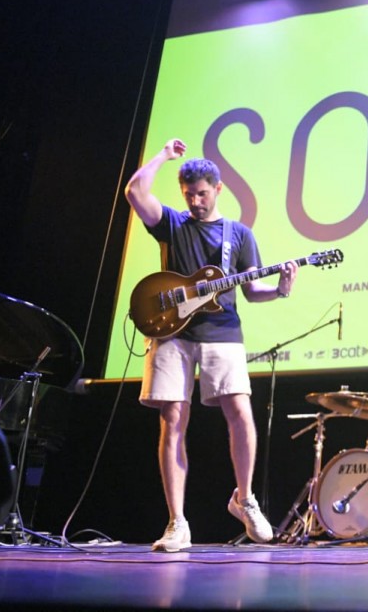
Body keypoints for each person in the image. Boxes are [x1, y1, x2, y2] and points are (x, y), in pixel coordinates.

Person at [125, 138, 298, 551]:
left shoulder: (239, 234)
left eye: (202, 194)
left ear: (218, 189)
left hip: (222, 331)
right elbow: (134, 191)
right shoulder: (172, 224)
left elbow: (252, 291)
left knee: (240, 411)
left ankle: (245, 499)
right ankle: (177, 522)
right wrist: (164, 156)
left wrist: (281, 289)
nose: (196, 201)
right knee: (173, 418)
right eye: (189, 194)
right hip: (171, 333)